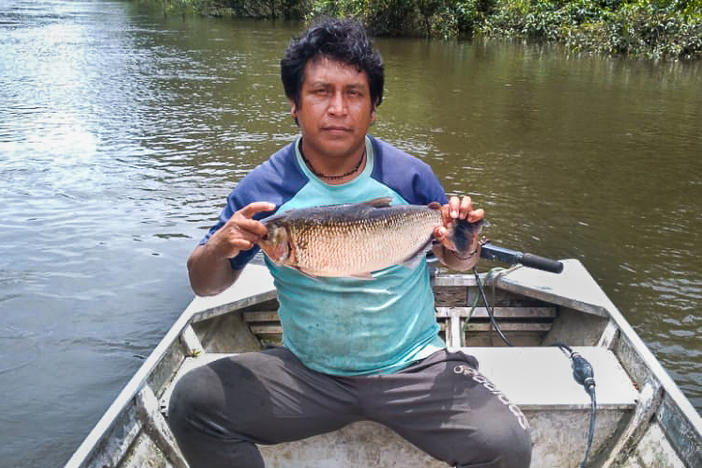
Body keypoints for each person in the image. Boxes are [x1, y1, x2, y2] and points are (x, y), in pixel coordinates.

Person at [168, 18, 532, 468]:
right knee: (191, 403)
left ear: (373, 107)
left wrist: (464, 242)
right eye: (321, 92)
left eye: (354, 94)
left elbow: (458, 261)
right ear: (294, 105)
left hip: (413, 368)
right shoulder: (262, 191)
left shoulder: (410, 177)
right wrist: (219, 247)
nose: (338, 108)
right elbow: (205, 285)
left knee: (508, 446)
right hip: (307, 375)